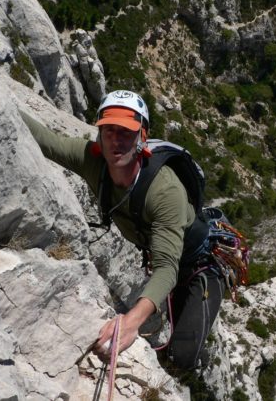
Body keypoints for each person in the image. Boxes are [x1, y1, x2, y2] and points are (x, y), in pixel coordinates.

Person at [20, 90, 225, 369]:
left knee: (184, 357)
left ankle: (195, 360)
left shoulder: (165, 191)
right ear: (99, 134)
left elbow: (167, 267)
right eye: (109, 131)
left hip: (199, 265)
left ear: (142, 137)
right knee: (174, 345)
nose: (116, 140)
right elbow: (46, 141)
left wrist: (130, 323)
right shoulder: (93, 161)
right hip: (167, 258)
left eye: (126, 132)